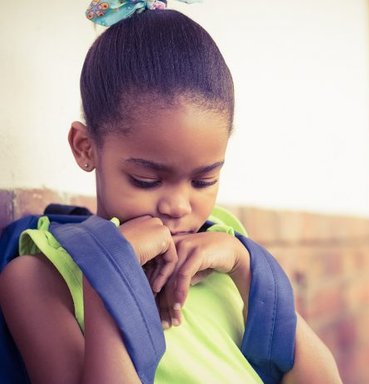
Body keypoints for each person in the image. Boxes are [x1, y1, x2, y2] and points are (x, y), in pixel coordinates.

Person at [0, 3, 341, 383]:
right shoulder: (41, 277)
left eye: (203, 181)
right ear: (85, 147)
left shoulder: (219, 253)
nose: (178, 206)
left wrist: (247, 265)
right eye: (146, 179)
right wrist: (110, 274)